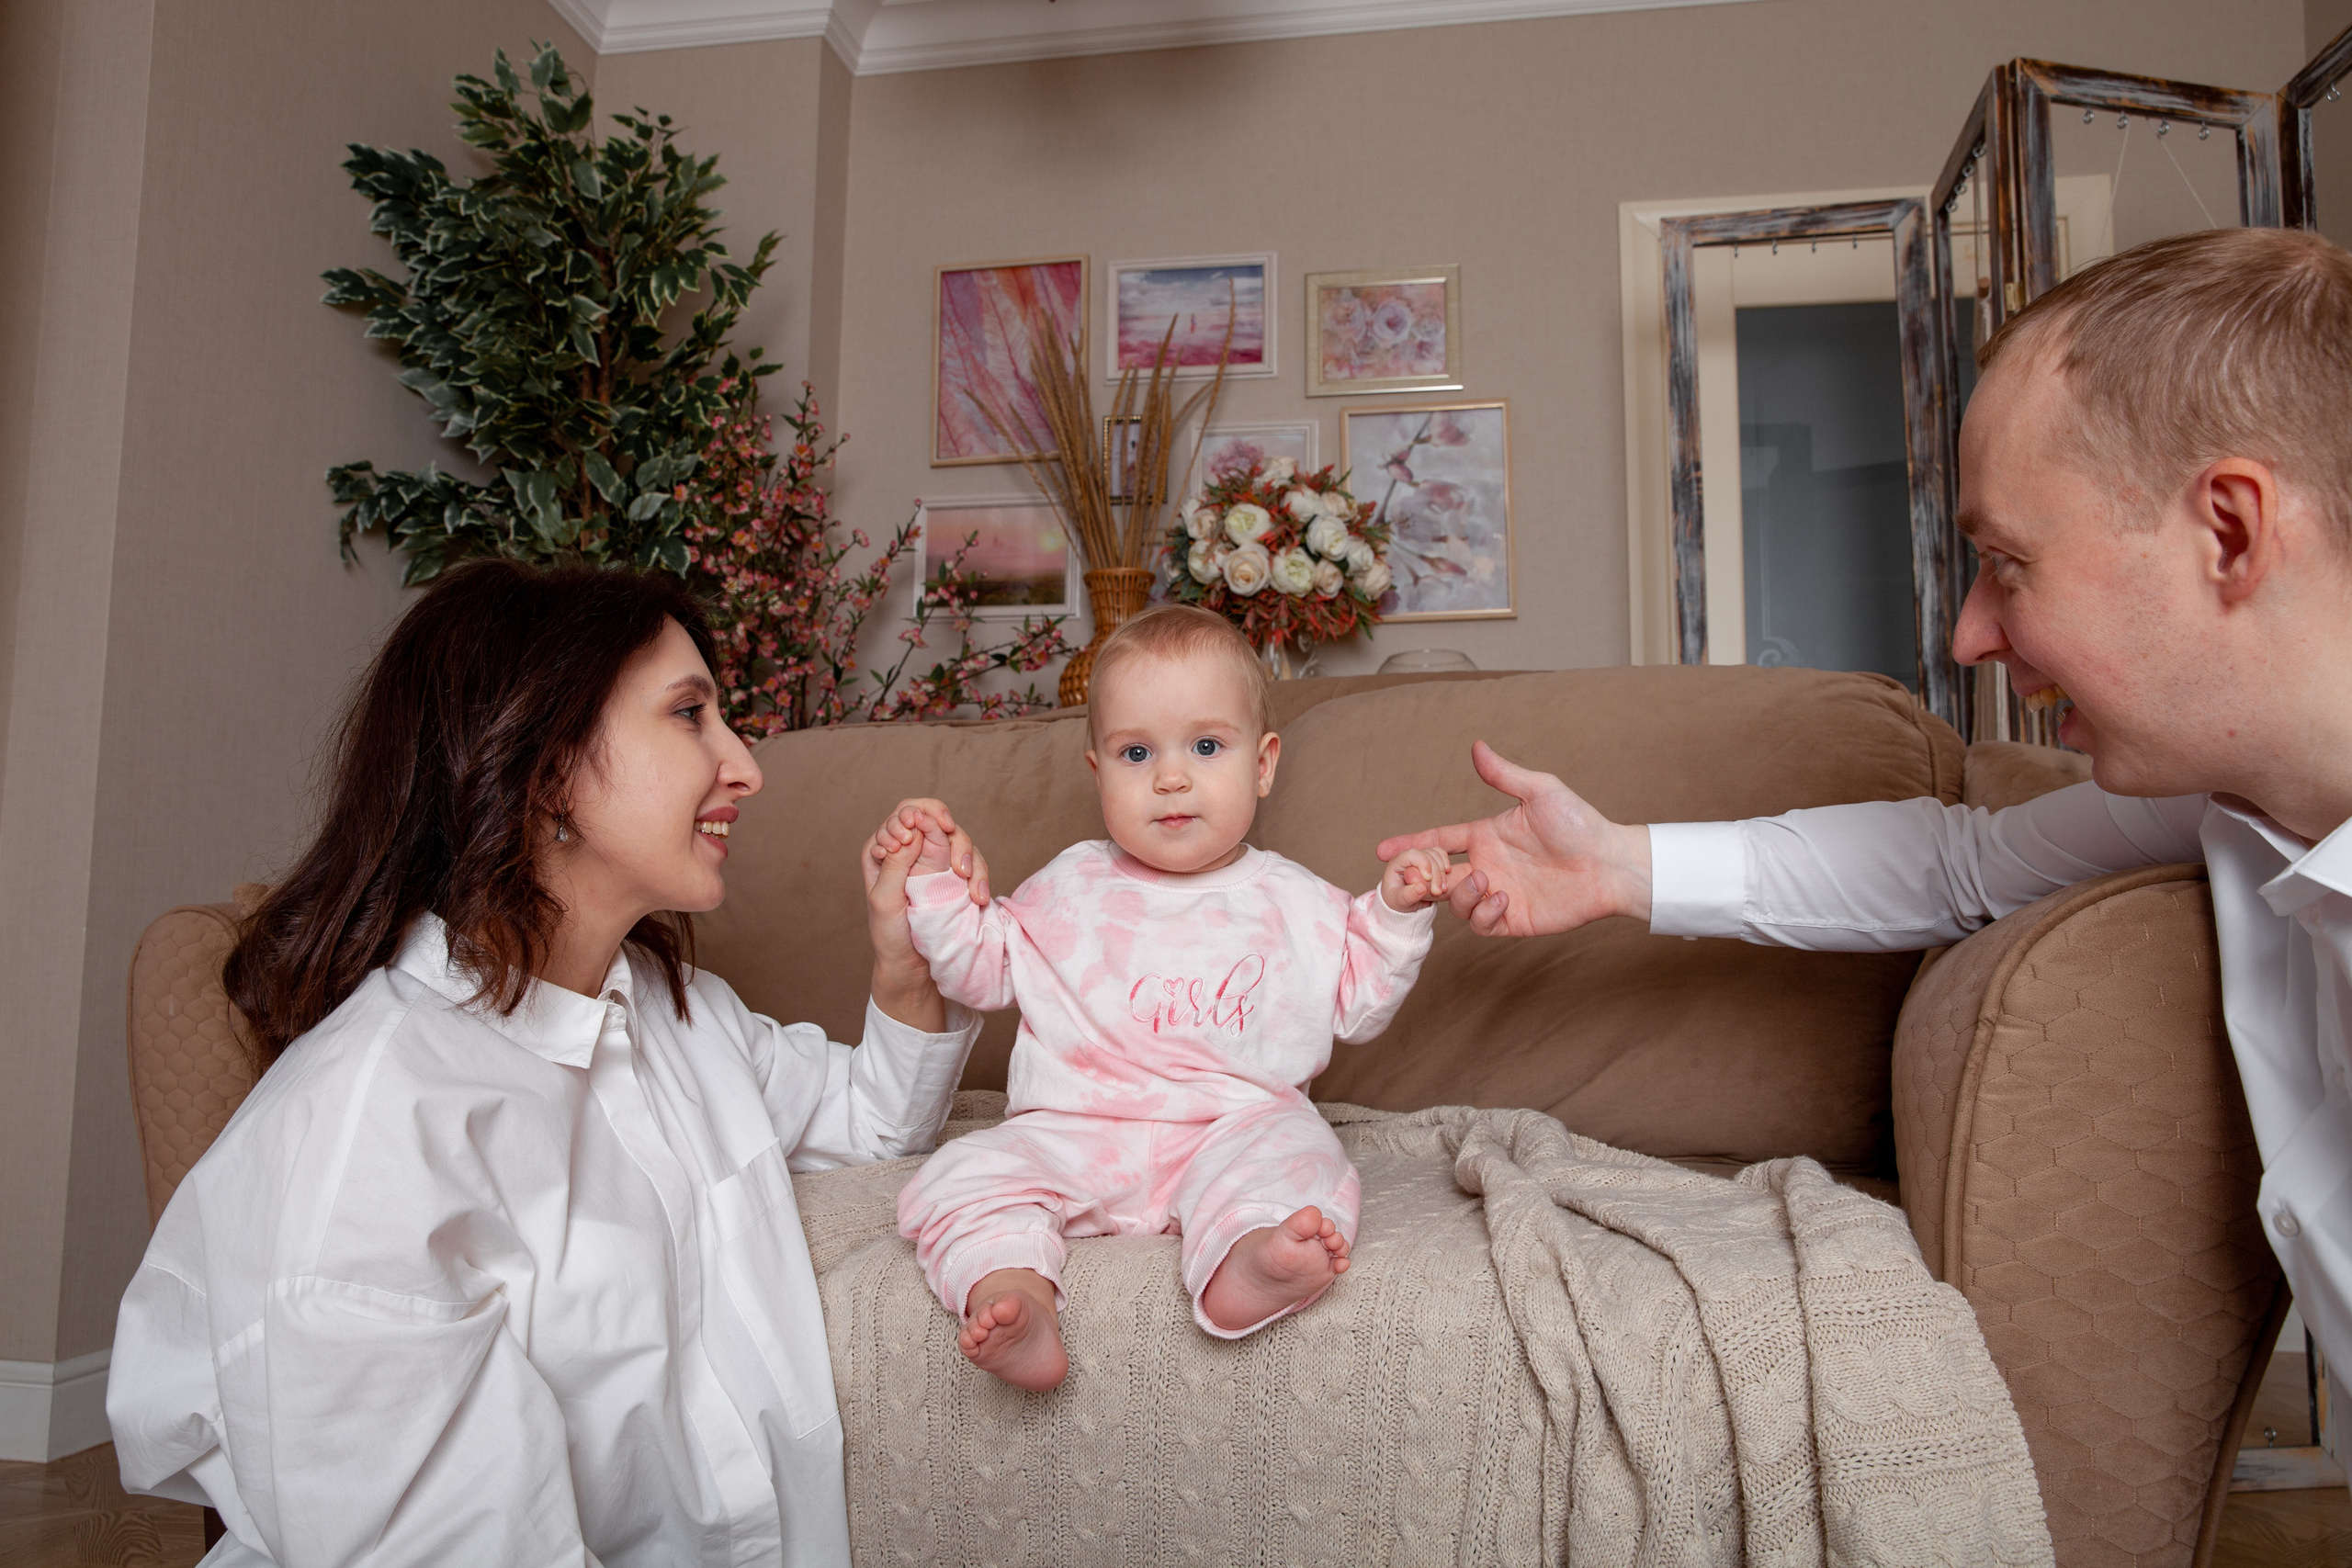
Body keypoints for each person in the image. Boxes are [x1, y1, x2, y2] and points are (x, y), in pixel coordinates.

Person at [1379, 225, 2352, 1417]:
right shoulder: (2228, 801)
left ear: (2230, 532)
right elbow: (1959, 866)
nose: (1970, 633)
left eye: (2009, 562)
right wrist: (1620, 865)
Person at [107, 561, 979, 1567]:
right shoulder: (372, 1129)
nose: (745, 767)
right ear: (547, 765)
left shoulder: (678, 1015)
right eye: (689, 713)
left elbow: (876, 1124)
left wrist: (905, 961)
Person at [867, 605, 1464, 1391]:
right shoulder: (1069, 885)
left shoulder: (1296, 901)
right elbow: (978, 971)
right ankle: (1013, 1292)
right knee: (964, 1174)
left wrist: (1396, 912)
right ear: (1098, 772)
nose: (1171, 777)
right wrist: (936, 881)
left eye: (1206, 746)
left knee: (1302, 1156)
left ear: (1263, 764)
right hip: (1076, 1130)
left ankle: (1248, 1258)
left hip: (1234, 1126)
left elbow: (1357, 1002)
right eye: (1137, 752)